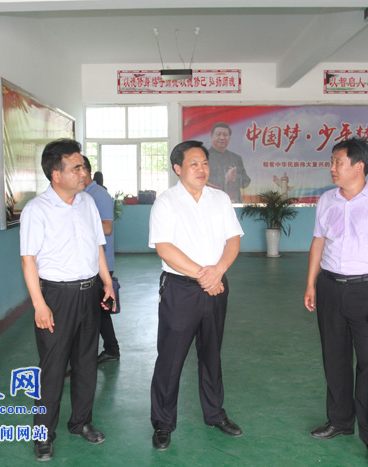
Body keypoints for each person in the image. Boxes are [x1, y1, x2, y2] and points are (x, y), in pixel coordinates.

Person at [303, 138, 368, 467]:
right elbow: (318, 243)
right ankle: (340, 421)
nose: (332, 168)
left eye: (338, 161)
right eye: (332, 162)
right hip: (330, 287)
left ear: (359, 166)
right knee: (334, 358)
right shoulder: (327, 200)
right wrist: (311, 283)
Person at [20, 139, 115, 462]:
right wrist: (39, 304)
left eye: (84, 166)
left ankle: (81, 422)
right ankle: (43, 434)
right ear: (56, 174)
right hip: (56, 296)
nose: (84, 172)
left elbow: (97, 246)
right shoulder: (37, 210)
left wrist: (106, 282)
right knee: (53, 367)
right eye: (76, 168)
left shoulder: (87, 202)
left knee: (86, 362)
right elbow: (28, 260)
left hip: (89, 292)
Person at [148, 140, 244, 451]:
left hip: (216, 286)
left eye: (204, 163)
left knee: (212, 354)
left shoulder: (220, 199)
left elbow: (233, 240)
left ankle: (215, 414)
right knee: (171, 358)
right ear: (178, 168)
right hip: (181, 289)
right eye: (194, 163)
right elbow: (165, 248)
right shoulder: (166, 203)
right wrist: (205, 275)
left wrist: (218, 271)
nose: (201, 169)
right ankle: (163, 423)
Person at [83, 157, 120, 364]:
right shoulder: (82, 195)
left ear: (86, 172)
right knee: (97, 310)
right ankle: (111, 349)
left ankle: (111, 349)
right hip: (87, 263)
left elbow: (107, 228)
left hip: (101, 263)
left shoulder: (99, 195)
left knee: (100, 309)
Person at [207, 122, 251, 202]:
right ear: (211, 136)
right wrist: (226, 178)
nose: (222, 137)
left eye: (225, 135)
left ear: (229, 137)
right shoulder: (204, 157)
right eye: (218, 134)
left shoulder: (236, 158)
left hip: (233, 202)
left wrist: (234, 177)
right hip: (210, 201)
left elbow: (246, 182)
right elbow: (201, 182)